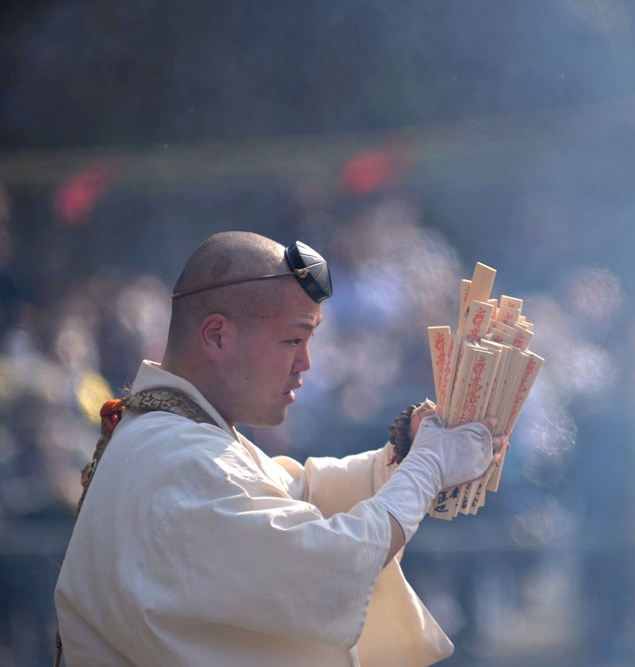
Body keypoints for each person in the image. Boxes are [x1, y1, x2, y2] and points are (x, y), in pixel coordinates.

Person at [54, 231, 503, 666]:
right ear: (216, 336)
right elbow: (327, 566)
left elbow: (299, 494)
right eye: (292, 339)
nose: (305, 362)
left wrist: (406, 456)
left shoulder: (176, 433)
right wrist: (427, 467)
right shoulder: (178, 456)